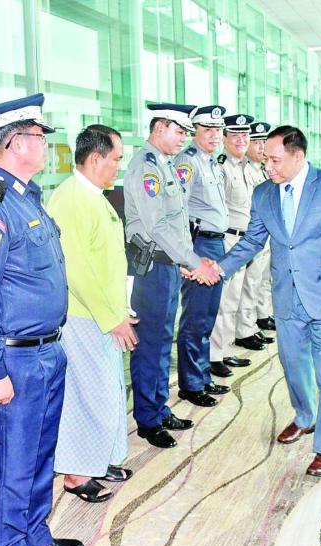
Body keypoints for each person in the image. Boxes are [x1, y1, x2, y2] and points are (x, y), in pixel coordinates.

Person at [191, 125, 321, 477]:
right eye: (266, 160)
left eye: (275, 160)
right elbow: (251, 241)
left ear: (298, 156)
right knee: (293, 366)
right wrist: (219, 269)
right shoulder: (264, 193)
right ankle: (305, 417)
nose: (268, 167)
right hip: (287, 298)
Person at [0, 93, 82, 546]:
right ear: (14, 142)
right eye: (38, 136)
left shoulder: (26, 198)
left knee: (38, 457)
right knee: (13, 461)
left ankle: (35, 536)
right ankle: (11, 543)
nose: (45, 144)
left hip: (46, 350)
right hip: (13, 360)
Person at [47, 125, 135, 504]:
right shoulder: (71, 198)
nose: (119, 166)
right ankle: (77, 474)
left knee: (109, 391)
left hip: (103, 313)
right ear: (96, 158)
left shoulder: (93, 195)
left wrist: (119, 309)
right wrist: (110, 317)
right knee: (87, 395)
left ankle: (100, 460)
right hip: (84, 316)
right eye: (116, 159)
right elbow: (76, 270)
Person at [124, 103, 201, 449]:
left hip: (168, 265)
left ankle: (159, 406)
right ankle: (148, 419)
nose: (184, 137)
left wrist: (182, 259)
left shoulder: (165, 164)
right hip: (152, 269)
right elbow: (155, 225)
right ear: (159, 129)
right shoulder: (146, 167)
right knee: (150, 345)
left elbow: (176, 223)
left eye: (185, 132)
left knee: (162, 342)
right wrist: (192, 260)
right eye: (179, 131)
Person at [173, 105, 232, 404]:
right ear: (194, 131)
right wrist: (187, 256)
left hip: (216, 244)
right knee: (195, 317)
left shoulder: (213, 163)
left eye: (218, 130)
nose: (214, 135)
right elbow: (178, 210)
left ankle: (203, 376)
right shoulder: (188, 162)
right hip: (199, 245)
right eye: (207, 130)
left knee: (208, 317)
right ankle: (191, 384)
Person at [209, 116, 265, 376]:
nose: (242, 140)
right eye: (235, 135)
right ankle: (214, 355)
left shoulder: (248, 167)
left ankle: (226, 348)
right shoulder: (220, 167)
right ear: (224, 139)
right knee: (222, 302)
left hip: (247, 240)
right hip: (228, 240)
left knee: (233, 299)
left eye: (245, 135)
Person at [241, 121, 276, 337]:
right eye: (256, 142)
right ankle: (246, 326)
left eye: (264, 142)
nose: (262, 147)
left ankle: (262, 315)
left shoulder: (263, 170)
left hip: (266, 233)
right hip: (251, 234)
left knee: (264, 278)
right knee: (250, 282)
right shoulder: (243, 169)